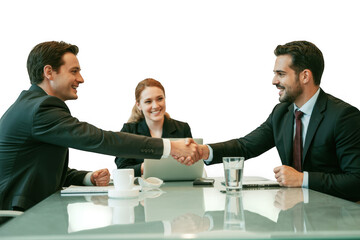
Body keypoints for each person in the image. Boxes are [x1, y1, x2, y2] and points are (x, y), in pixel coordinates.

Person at [0, 41, 200, 211]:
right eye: (74, 71)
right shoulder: (41, 108)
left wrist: (88, 178)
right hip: (19, 217)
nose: (81, 79)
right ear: (49, 72)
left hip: (33, 213)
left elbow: (40, 169)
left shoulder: (31, 105)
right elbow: (99, 139)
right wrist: (171, 147)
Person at [188, 40, 360, 201]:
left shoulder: (343, 117)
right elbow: (245, 146)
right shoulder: (282, 113)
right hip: (293, 213)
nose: (274, 81)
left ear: (305, 76)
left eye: (281, 74)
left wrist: (302, 179)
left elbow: (356, 181)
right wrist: (203, 151)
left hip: (334, 219)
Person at [115, 78, 193, 176]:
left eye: (160, 99)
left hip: (177, 186)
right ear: (139, 105)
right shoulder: (129, 131)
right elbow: (122, 169)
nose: (155, 106)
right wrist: (145, 167)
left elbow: (193, 164)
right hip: (141, 188)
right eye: (148, 101)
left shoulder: (182, 129)